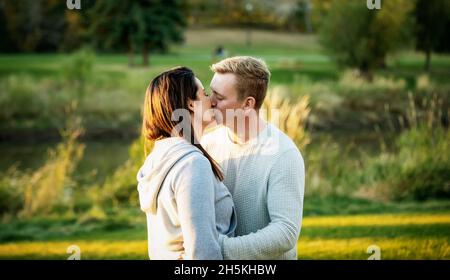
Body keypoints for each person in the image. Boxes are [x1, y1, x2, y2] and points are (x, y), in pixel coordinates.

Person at [201, 56, 305, 259]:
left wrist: (218, 248)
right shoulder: (208, 144)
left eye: (219, 97)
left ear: (248, 104)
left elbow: (285, 233)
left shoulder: (283, 155)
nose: (209, 102)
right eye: (210, 92)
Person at [137, 67, 236, 260]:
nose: (212, 101)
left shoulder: (158, 158)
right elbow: (202, 251)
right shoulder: (192, 164)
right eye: (205, 94)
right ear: (191, 104)